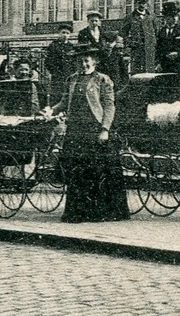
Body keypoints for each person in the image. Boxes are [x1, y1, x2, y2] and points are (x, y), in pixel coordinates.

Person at [51, 44, 128, 223]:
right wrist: (50, 110)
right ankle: (77, 212)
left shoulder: (103, 80)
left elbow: (109, 106)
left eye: (86, 60)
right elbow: (64, 102)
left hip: (94, 129)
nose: (83, 64)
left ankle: (98, 212)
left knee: (96, 172)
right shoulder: (72, 79)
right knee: (76, 171)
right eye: (80, 61)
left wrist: (105, 129)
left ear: (94, 61)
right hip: (75, 130)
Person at [122, 0, 156, 76]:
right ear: (136, 3)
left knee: (150, 75)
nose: (142, 5)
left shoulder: (151, 17)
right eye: (140, 2)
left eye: (144, 2)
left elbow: (156, 32)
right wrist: (131, 43)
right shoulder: (130, 17)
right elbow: (123, 34)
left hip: (149, 52)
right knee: (137, 75)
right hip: (136, 53)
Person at [156, 2, 180, 86]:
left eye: (174, 16)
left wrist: (178, 53)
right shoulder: (162, 32)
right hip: (165, 66)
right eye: (169, 17)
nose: (172, 19)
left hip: (178, 65)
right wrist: (158, 63)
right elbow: (158, 48)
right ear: (165, 18)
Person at [43, 25, 74, 90]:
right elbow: (48, 61)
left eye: (67, 33)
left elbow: (74, 61)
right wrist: (54, 72)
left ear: (70, 35)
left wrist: (72, 72)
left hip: (69, 75)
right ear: (59, 33)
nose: (65, 35)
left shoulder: (72, 47)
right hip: (57, 75)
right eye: (63, 32)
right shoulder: (53, 45)